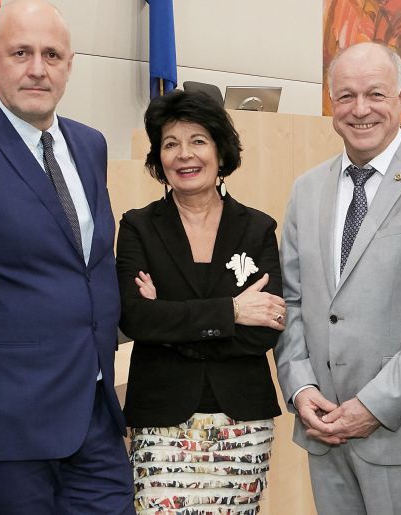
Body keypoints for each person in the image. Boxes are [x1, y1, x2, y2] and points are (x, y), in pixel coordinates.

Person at [0, 0, 134, 514]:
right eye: (21, 53)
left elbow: (86, 263)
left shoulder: (89, 144)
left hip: (94, 413)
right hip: (5, 431)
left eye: (52, 55)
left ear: (70, 65)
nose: (38, 69)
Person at [275, 41, 401, 514]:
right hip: (322, 426)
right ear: (331, 104)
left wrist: (373, 406)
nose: (360, 109)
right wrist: (301, 386)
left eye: (375, 94)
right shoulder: (306, 190)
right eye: (346, 96)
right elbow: (291, 301)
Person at [116, 89, 285, 513]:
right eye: (170, 143)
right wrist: (231, 311)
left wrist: (172, 321)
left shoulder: (257, 228)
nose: (184, 154)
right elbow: (136, 320)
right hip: (161, 418)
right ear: (158, 158)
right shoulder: (138, 227)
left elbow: (265, 329)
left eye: (197, 141)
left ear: (219, 151)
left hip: (242, 420)